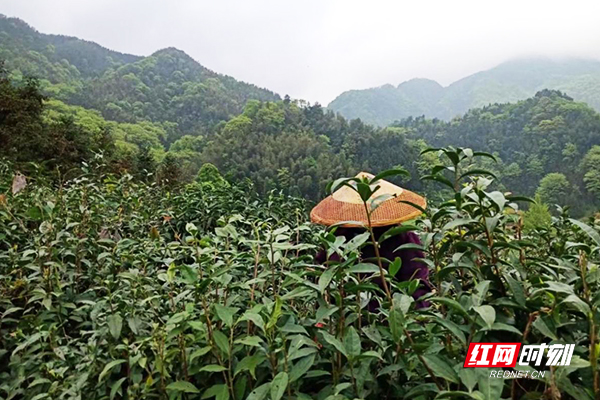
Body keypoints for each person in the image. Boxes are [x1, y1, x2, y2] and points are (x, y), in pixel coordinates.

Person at [311, 172, 431, 308]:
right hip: (343, 317)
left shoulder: (402, 238)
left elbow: (417, 286)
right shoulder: (337, 236)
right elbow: (323, 275)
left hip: (386, 318)